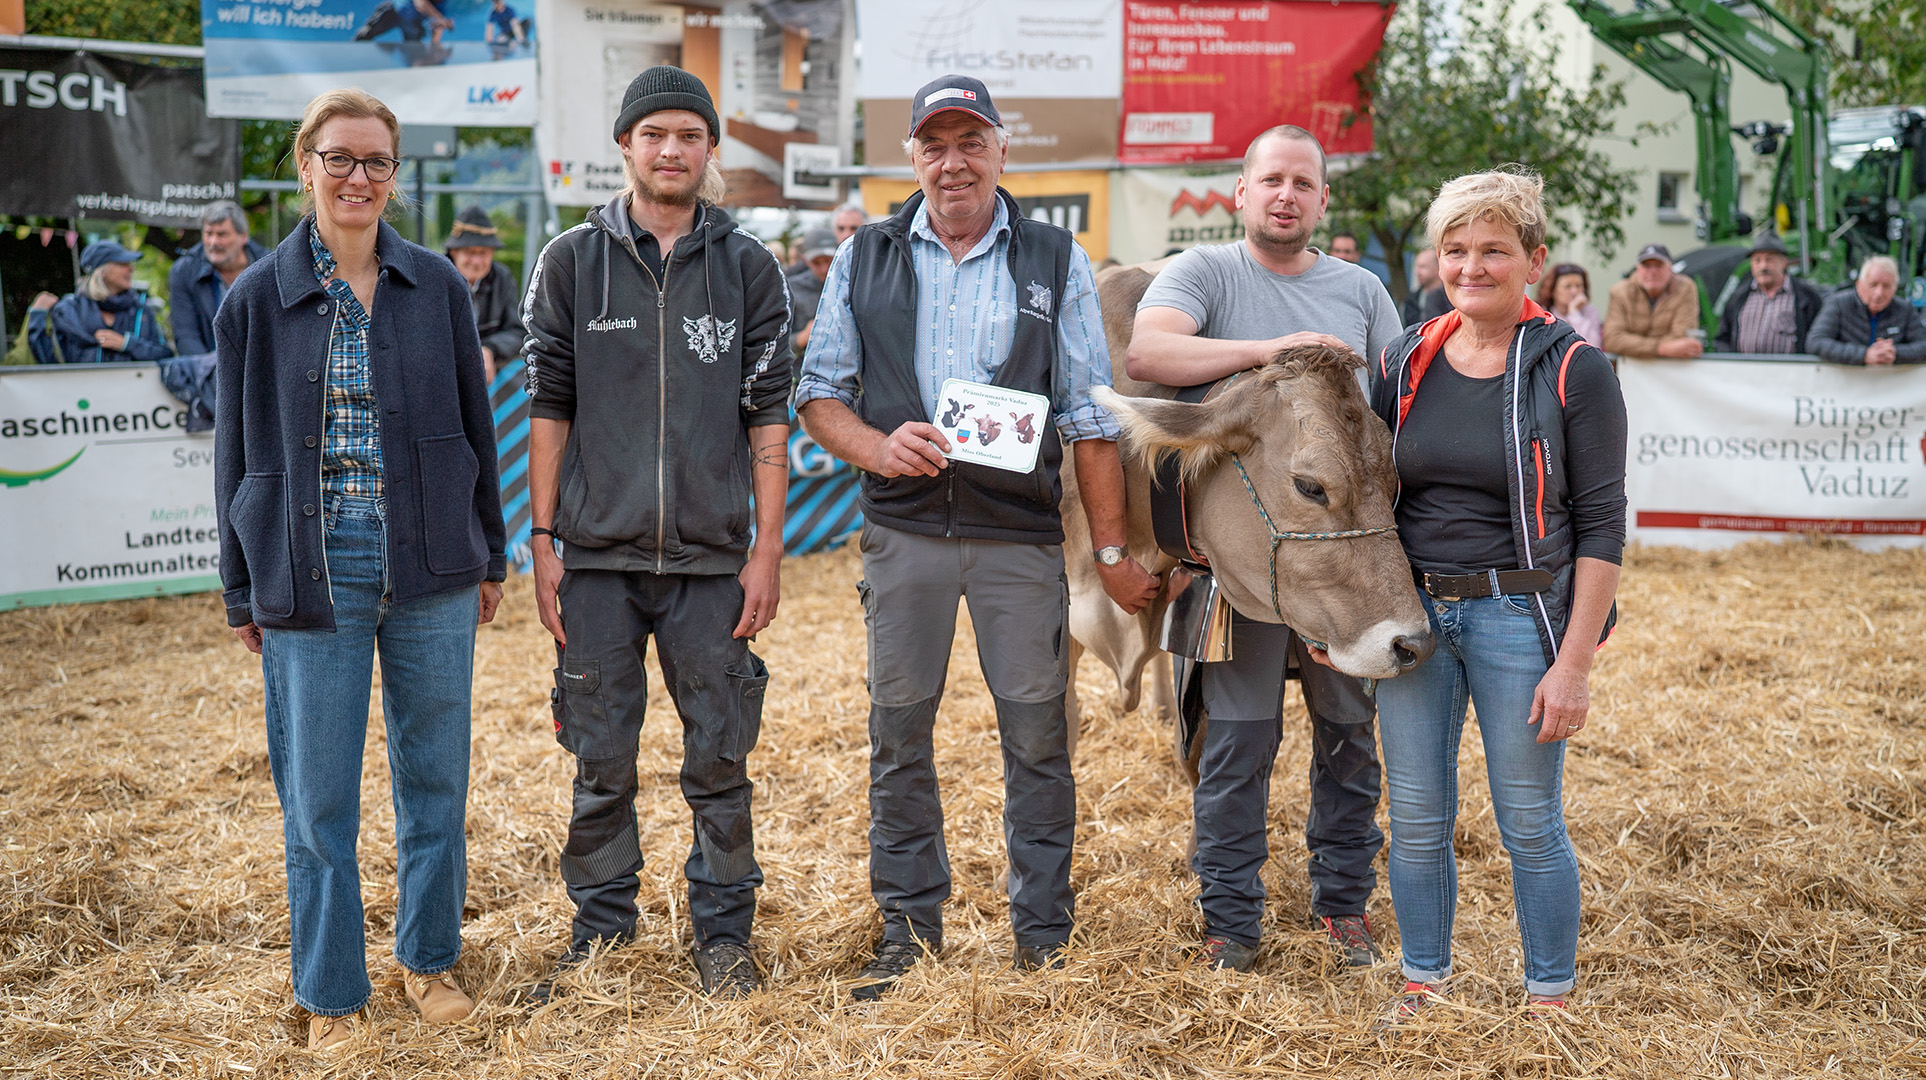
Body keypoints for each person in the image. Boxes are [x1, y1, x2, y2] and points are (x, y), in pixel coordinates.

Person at [795, 73, 1159, 1000]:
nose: (951, 162)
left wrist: (1111, 552)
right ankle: (908, 929)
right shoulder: (865, 256)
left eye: (970, 142)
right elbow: (818, 395)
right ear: (911, 157)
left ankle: (1042, 935)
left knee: (1038, 738)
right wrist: (878, 445)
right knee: (898, 736)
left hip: (1019, 542)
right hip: (904, 536)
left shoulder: (1053, 257)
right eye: (933, 144)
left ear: (1001, 150)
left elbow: (1087, 415)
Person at [212, 88, 506, 1052]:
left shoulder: (437, 286)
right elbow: (232, 453)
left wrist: (490, 549)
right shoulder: (255, 295)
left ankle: (428, 960)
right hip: (309, 558)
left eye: (377, 162)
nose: (358, 179)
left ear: (394, 175)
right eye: (340, 159)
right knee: (320, 795)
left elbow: (476, 423)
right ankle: (331, 994)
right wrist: (238, 583)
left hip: (431, 557)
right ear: (307, 165)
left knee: (435, 778)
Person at [521, 65, 793, 1003]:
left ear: (709, 149)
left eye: (688, 134)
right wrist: (544, 540)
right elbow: (547, 406)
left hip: (714, 562)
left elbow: (769, 419)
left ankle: (724, 937)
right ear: (625, 145)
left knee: (719, 759)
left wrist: (765, 549)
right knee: (601, 760)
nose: (670, 149)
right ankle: (601, 931)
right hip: (595, 558)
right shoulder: (570, 261)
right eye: (653, 134)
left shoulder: (749, 267)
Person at [1126, 124, 1405, 973]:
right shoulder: (1205, 272)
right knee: (1236, 743)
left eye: (1304, 184)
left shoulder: (1359, 287)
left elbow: (1398, 397)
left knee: (1350, 736)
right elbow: (1149, 351)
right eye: (1272, 180)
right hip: (1233, 573)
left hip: (1348, 565)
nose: (1287, 195)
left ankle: (1345, 904)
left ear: (1323, 201)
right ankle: (1232, 921)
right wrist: (1270, 353)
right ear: (1240, 192)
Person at [1367, 168, 1625, 1024]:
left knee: (1528, 823)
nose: (1471, 267)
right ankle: (1423, 982)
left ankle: (1549, 996)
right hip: (1416, 617)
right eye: (1455, 249)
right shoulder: (1407, 357)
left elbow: (1602, 527)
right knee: (1415, 817)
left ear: (1534, 260)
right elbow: (1369, 504)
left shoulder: (1576, 370)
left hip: (1520, 615)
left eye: (1493, 250)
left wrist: (1574, 666)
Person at [45, 240, 173, 364]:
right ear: (102, 271)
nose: (131, 269)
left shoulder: (141, 310)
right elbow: (49, 360)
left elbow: (165, 355)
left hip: (132, 385)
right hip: (81, 385)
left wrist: (127, 344)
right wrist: (37, 314)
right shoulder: (69, 309)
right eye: (123, 263)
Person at [169, 200, 267, 356]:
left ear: (243, 236)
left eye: (222, 234)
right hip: (208, 371)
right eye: (208, 234)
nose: (213, 242)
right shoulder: (184, 271)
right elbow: (186, 336)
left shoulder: (268, 268)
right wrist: (210, 373)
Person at [444, 204, 525, 381]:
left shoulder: (502, 278)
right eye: (470, 252)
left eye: (483, 253)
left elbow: (518, 331)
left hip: (489, 380)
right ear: (453, 251)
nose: (476, 261)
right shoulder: (435, 278)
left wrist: (489, 349)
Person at [1710, 232, 1824, 354]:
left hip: (1789, 371)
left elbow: (1818, 338)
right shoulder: (1738, 297)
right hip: (1745, 371)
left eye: (1769, 260)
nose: (1763, 266)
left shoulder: (1806, 297)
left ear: (1784, 262)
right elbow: (1722, 339)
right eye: (1757, 261)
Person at [1806, 255, 1926, 365]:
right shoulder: (1839, 304)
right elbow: (1815, 342)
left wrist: (1894, 353)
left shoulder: (1904, 309)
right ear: (1859, 284)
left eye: (1886, 286)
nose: (1879, 293)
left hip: (1893, 383)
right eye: (1873, 285)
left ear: (1895, 288)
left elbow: (1922, 346)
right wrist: (1864, 355)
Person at [1602, 243, 1701, 359]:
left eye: (1658, 265)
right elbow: (1612, 340)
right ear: (1637, 269)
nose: (1652, 272)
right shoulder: (1619, 291)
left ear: (1670, 269)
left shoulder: (1686, 288)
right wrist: (1662, 348)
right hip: (1629, 370)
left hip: (1672, 370)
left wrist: (1633, 346)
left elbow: (1682, 338)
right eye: (1646, 265)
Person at [785, 227, 836, 360]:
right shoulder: (792, 289)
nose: (824, 269)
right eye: (816, 263)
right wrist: (801, 338)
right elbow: (774, 343)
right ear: (805, 260)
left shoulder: (851, 284)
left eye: (828, 260)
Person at [1536, 262, 1604, 346]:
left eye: (1579, 286)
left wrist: (1574, 313)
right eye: (1568, 286)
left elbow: (1593, 346)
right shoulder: (1542, 314)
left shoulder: (1590, 312)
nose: (1574, 291)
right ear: (1552, 290)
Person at [1401, 248, 1442, 327]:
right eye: (1417, 266)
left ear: (1438, 268)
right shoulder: (1411, 301)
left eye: (1423, 267)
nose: (1417, 272)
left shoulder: (1451, 298)